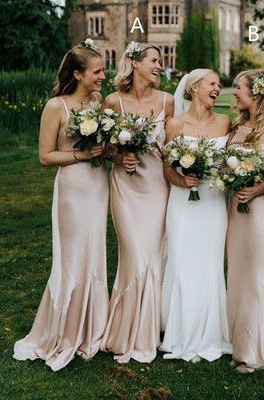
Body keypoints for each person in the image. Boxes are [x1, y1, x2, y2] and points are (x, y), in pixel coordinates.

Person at [13, 39, 109, 371]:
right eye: (96, 72)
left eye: (102, 71)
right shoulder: (57, 107)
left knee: (94, 252)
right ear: (78, 73)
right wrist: (81, 155)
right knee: (72, 257)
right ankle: (64, 331)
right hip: (72, 189)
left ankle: (92, 327)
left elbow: (104, 144)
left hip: (99, 186)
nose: (102, 77)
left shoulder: (98, 102)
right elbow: (44, 156)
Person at [100, 42, 174, 363]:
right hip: (126, 188)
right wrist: (121, 155)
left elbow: (173, 148)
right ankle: (126, 325)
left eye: (160, 61)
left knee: (153, 257)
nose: (160, 66)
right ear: (135, 63)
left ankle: (151, 325)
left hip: (157, 187)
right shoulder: (112, 102)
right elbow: (102, 148)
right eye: (154, 60)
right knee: (134, 254)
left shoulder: (168, 102)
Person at [160, 69, 232, 362]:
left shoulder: (225, 122)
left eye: (219, 85)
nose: (218, 88)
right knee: (181, 259)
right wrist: (182, 181)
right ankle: (179, 331)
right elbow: (166, 168)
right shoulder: (175, 124)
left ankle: (211, 331)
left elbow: (231, 162)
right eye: (212, 84)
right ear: (195, 88)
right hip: (183, 203)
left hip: (213, 203)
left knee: (210, 262)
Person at [226, 69, 264, 374]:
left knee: (257, 276)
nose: (234, 92)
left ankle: (256, 348)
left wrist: (255, 189)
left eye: (239, 88)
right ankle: (237, 338)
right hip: (236, 211)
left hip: (259, 211)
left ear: (257, 92)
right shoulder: (238, 125)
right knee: (238, 273)